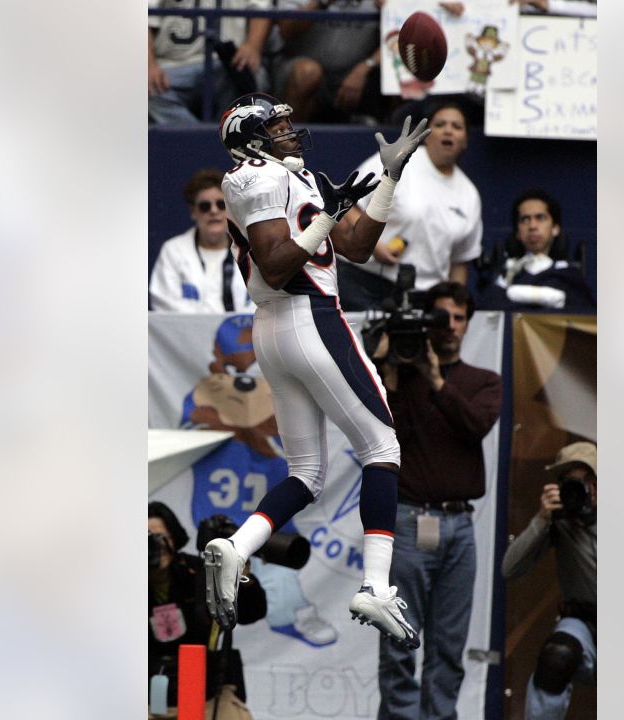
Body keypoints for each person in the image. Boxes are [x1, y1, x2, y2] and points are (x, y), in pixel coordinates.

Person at [201, 92, 433, 651]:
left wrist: (389, 179)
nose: (290, 131)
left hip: (278, 330)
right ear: (250, 138)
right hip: (309, 317)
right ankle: (375, 584)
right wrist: (327, 215)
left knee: (306, 473)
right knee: (383, 448)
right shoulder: (251, 177)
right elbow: (277, 268)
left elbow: (354, 245)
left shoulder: (293, 176)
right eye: (277, 125)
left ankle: (237, 547)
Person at [374, 281, 502, 720]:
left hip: (459, 527)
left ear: (469, 324)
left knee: (449, 646)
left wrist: (435, 379)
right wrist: (390, 374)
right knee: (398, 637)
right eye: (440, 317)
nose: (449, 326)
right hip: (409, 521)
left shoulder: (485, 382)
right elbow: (382, 438)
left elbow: (475, 426)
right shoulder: (401, 376)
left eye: (459, 318)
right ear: (427, 321)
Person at [338, 101, 484, 311]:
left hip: (423, 297)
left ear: (466, 141)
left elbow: (461, 260)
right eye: (441, 124)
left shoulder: (469, 194)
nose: (448, 131)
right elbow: (347, 204)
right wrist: (373, 245)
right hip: (363, 283)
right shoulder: (399, 160)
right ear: (427, 133)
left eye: (456, 127)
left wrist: (452, 305)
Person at [501, 441, 598, 720]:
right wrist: (541, 522)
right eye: (569, 483)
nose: (577, 491)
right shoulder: (558, 522)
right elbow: (509, 570)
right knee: (557, 655)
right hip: (584, 626)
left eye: (585, 482)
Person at [148, 502, 266, 709]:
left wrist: (244, 579)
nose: (154, 546)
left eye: (160, 537)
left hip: (205, 688)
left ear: (174, 538)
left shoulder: (200, 572)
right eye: (146, 539)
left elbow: (251, 613)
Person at [148, 0, 272, 125]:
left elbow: (261, 9)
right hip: (172, 65)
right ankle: (205, 141)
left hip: (226, 63)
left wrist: (252, 45)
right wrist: (149, 64)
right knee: (144, 88)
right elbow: (143, 19)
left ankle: (215, 138)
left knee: (248, 80)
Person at [150, 169, 257, 313]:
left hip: (241, 334)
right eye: (205, 206)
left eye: (220, 204)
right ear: (193, 212)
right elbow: (164, 301)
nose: (213, 211)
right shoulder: (173, 250)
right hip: (187, 334)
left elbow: (261, 301)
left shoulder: (249, 251)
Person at [479, 188, 594, 313]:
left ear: (555, 228)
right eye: (525, 219)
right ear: (517, 232)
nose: (532, 226)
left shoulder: (569, 277)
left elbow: (585, 320)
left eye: (540, 218)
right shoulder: (503, 277)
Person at [272, 0, 384, 123]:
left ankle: (386, 130)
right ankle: (290, 137)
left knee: (392, 71)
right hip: (300, 67)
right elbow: (286, 30)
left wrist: (365, 67)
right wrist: (321, 2)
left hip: (358, 72)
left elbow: (399, 37)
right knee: (308, 72)